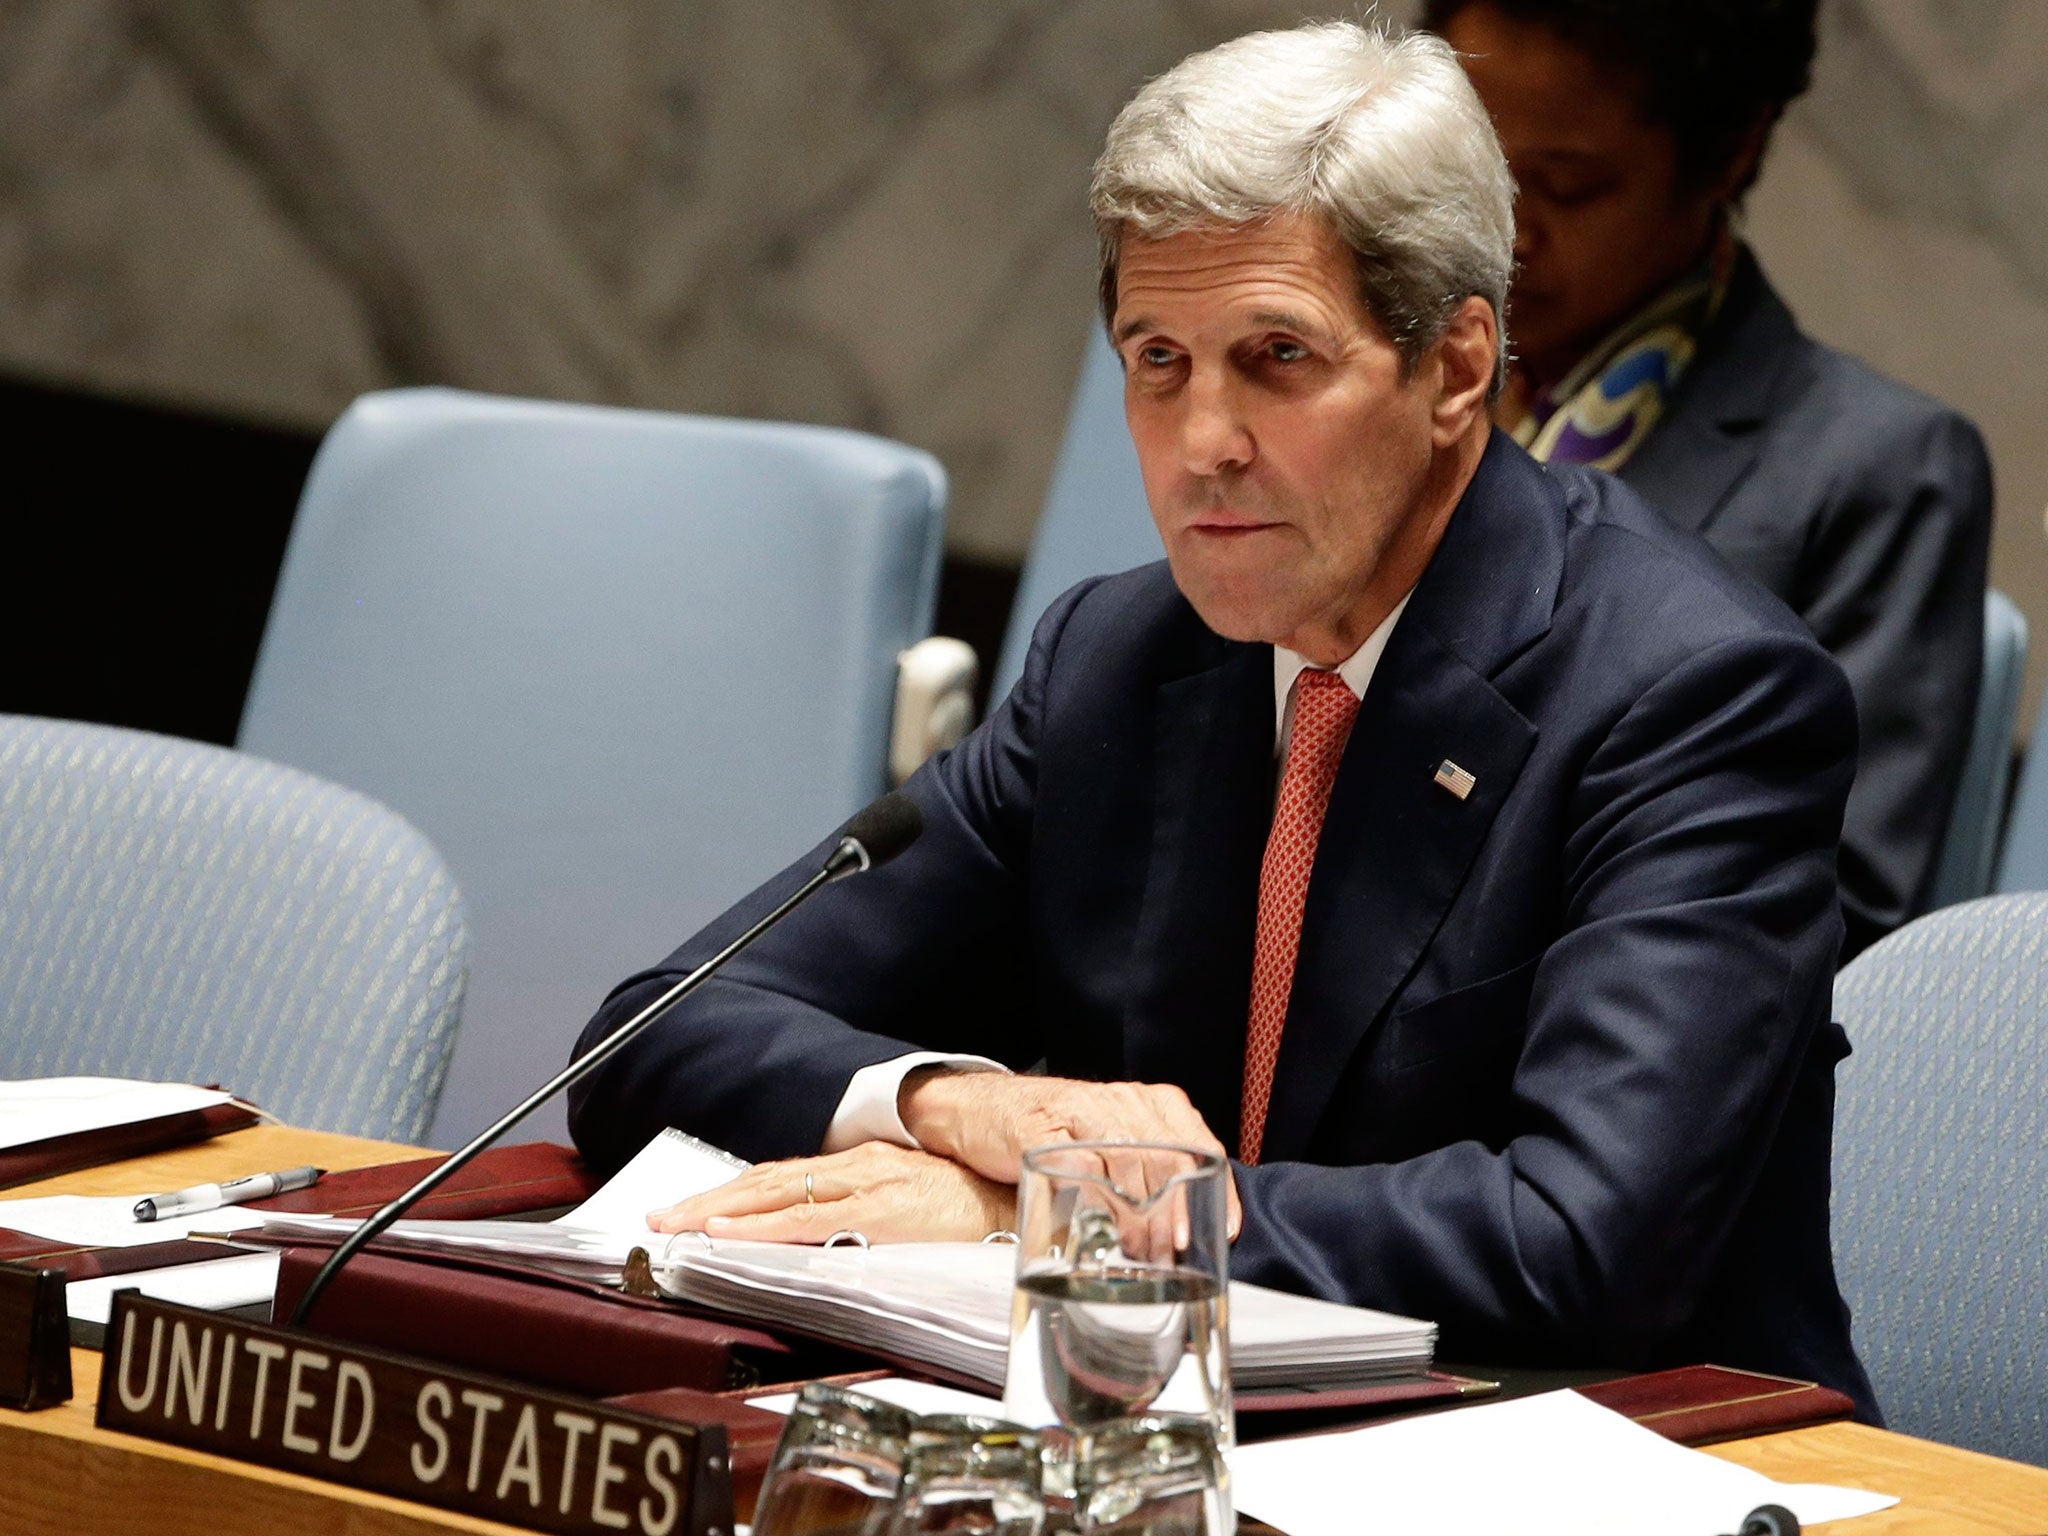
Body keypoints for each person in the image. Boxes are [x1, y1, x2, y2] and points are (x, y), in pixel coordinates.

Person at [569, 21, 1876, 1412]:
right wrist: (965, 1109)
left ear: (1452, 369)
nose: (1205, 442)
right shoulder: (1120, 663)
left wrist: (1047, 1219)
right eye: (1159, 361)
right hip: (1195, 1432)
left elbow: (1581, 1243)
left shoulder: (1694, 696)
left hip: (1636, 1455)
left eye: (1277, 358)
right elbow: (650, 1033)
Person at [1421, 0, 1993, 962]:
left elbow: (1829, 913)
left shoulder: (1876, 472)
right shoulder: (1367, 386)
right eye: (1462, 169)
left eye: (1567, 185)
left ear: (1729, 154)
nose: (1501, 229)